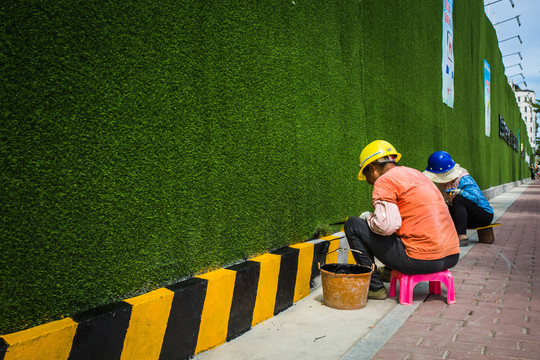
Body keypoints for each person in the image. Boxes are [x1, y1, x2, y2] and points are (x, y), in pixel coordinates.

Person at [344, 140, 460, 300]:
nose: (369, 181)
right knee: (405, 224)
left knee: (353, 225)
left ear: (372, 168)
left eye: (366, 175)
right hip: (451, 256)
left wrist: (368, 218)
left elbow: (386, 226)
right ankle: (391, 270)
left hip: (420, 260)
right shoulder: (417, 175)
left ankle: (374, 287)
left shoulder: (384, 181)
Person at [423, 151, 494, 247]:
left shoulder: (464, 179)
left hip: (483, 215)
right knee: (441, 205)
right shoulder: (444, 184)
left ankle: (462, 237)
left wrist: (460, 192)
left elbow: (477, 199)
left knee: (458, 199)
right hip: (465, 218)